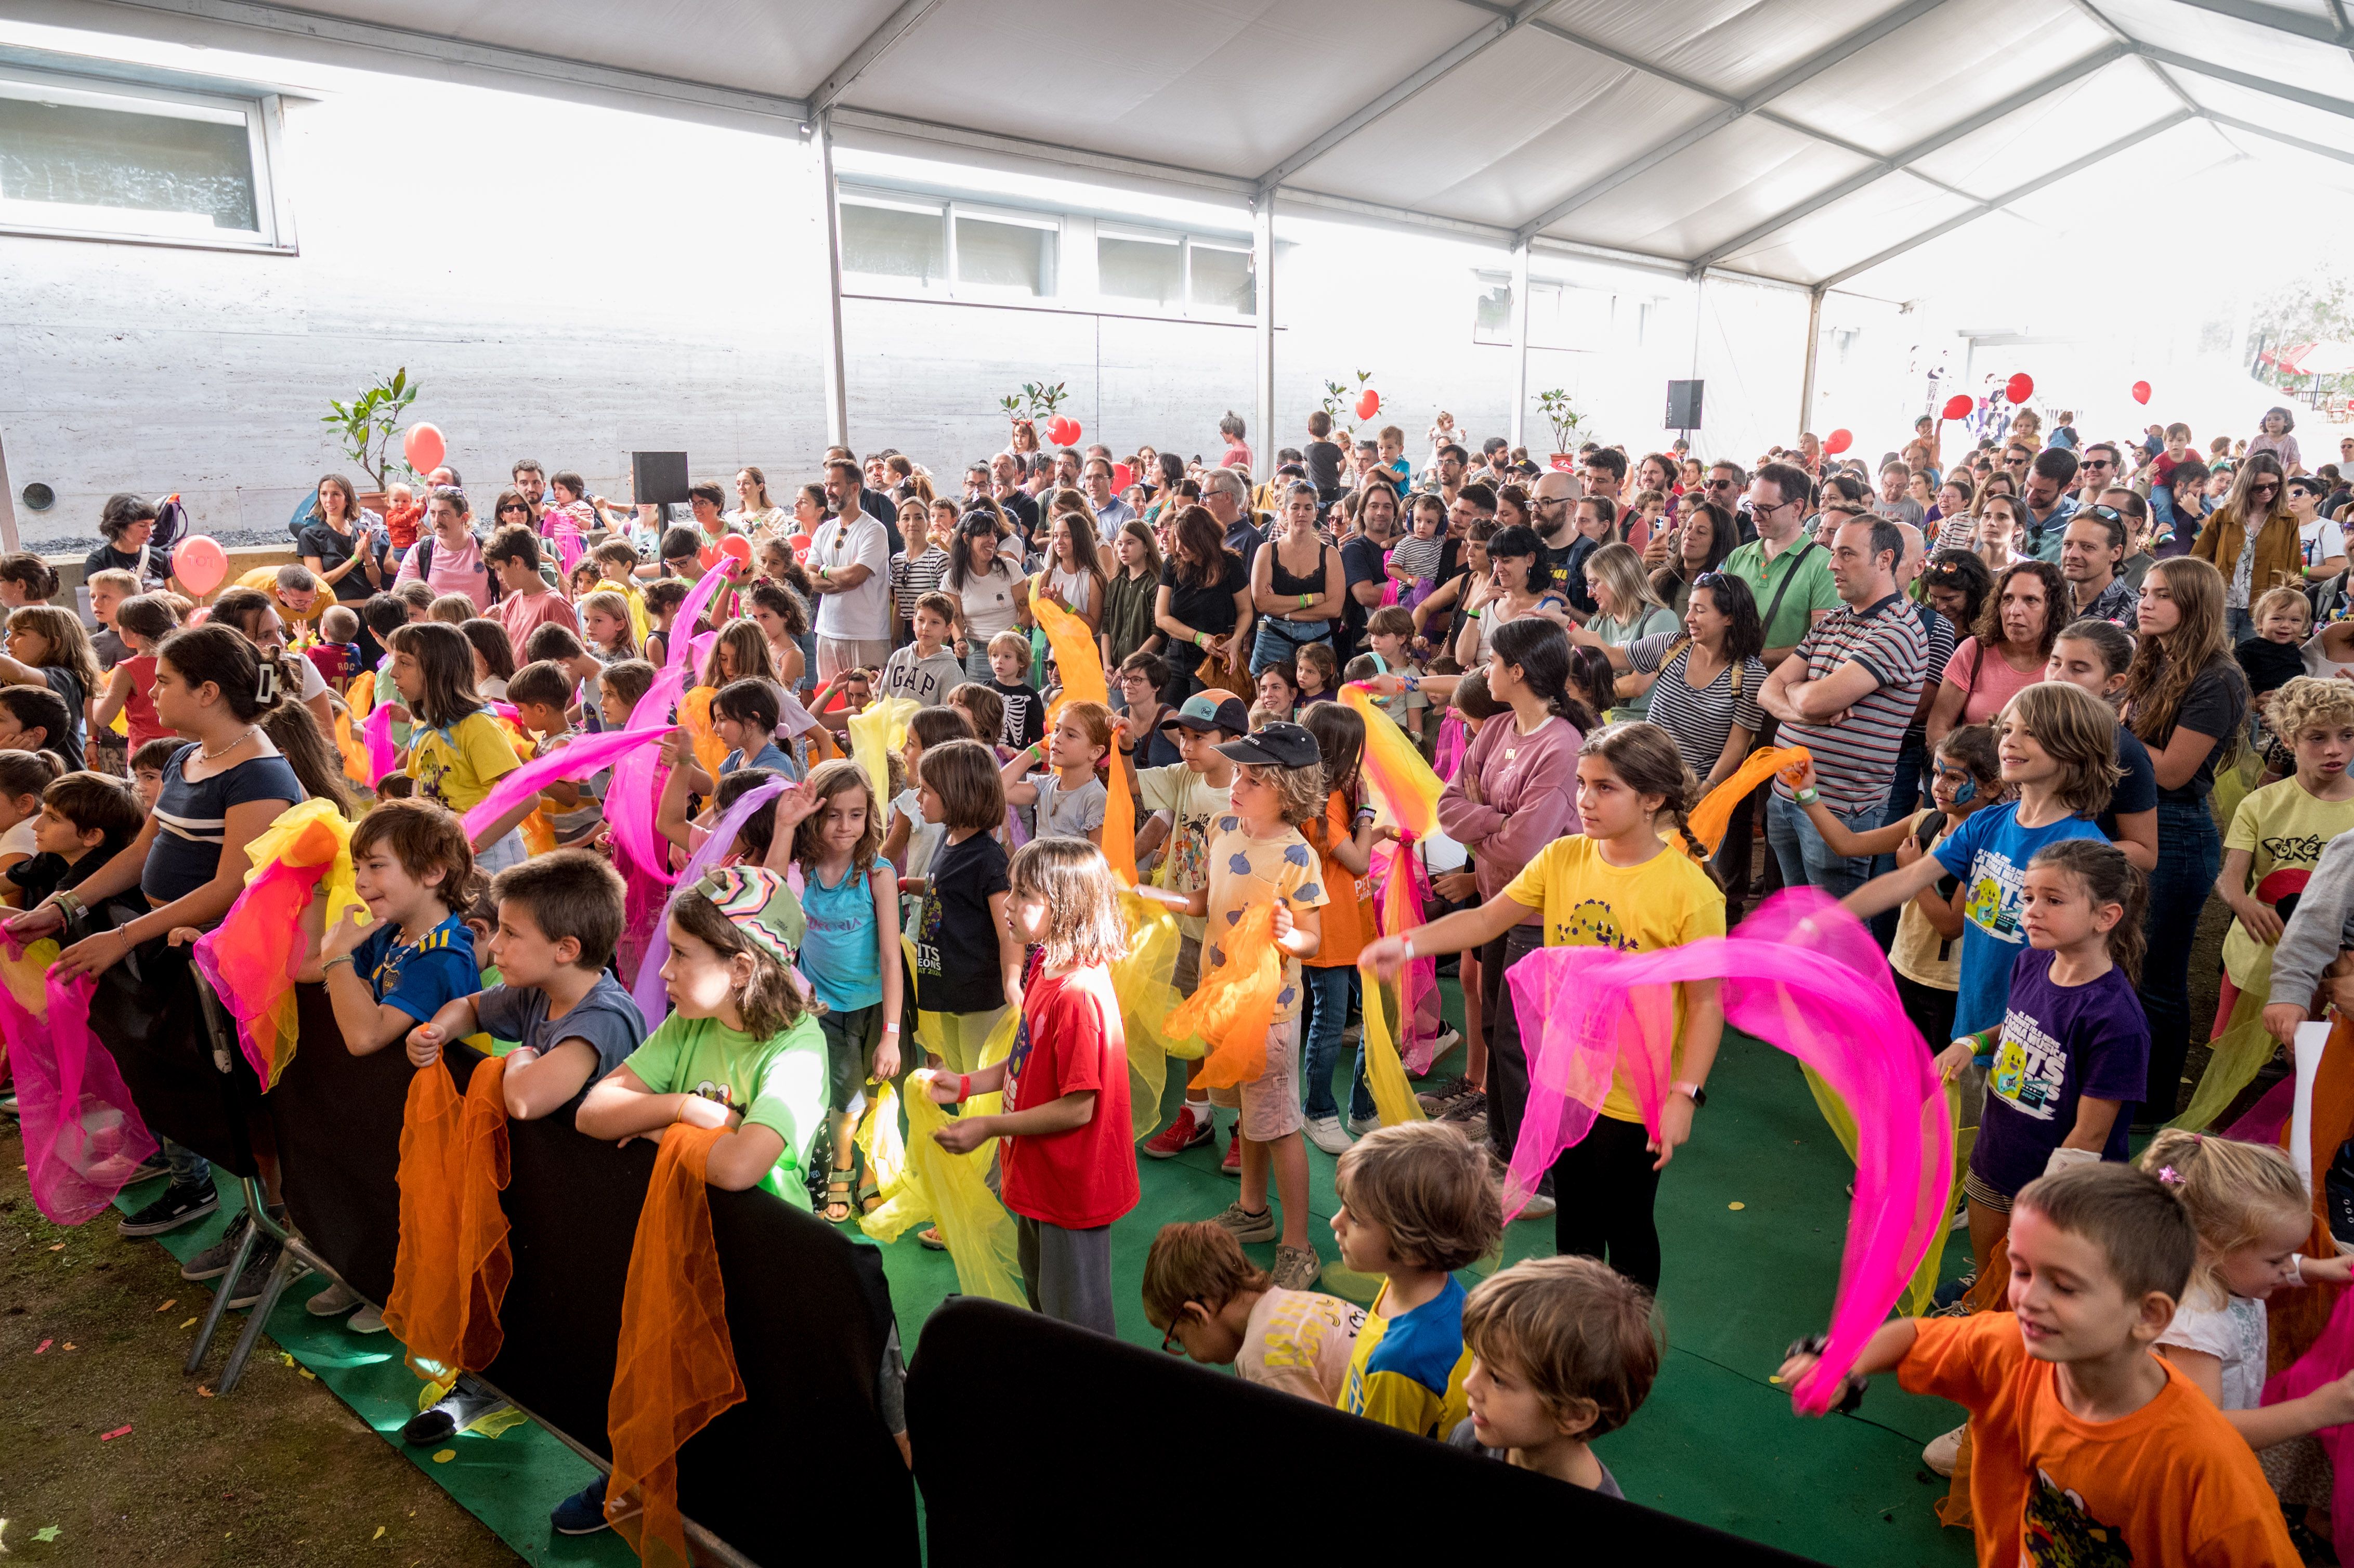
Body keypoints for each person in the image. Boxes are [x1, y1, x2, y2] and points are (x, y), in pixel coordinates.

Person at [1778, 1162, 2297, 1566]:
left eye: (2065, 1285)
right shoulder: (2012, 1348)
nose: (2027, 1298)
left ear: (2149, 1314)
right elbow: (1916, 1335)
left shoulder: (2206, 1469)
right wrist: (1843, 1362)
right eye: (2021, 1270)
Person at [1366, 722, 1722, 1289]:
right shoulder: (1562, 858)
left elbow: (1705, 1005)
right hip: (1569, 1073)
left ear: (1652, 798)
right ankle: (1570, 1330)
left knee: (1626, 1223)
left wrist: (1685, 1095)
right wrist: (1407, 943)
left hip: (1636, 1094)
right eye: (1581, 784)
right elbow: (1485, 919)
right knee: (1576, 1221)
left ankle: (1623, 1348)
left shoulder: (1690, 892)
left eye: (1605, 788)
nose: (1584, 800)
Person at [1132, 721, 1329, 1291]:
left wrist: (1290, 933)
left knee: (1279, 1124)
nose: (1236, 784)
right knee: (1248, 1113)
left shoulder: (1297, 854)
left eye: (1251, 778)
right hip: (1221, 998)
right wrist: (1148, 893)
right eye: (1238, 773)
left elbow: (1311, 942)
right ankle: (1252, 1211)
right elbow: (1202, 900)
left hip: (1268, 1011)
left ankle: (1297, 1241)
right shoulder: (1223, 827)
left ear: (1287, 791)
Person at [929, 838, 1135, 1331]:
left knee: (1078, 1321)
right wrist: (964, 1086)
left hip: (1071, 1188)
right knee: (1045, 1300)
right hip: (1039, 1175)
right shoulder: (1045, 966)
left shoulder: (1079, 996)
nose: (1009, 904)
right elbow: (1024, 1059)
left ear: (1064, 909)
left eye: (1025, 895)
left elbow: (1078, 1108)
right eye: (1012, 890)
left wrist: (989, 1126)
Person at [2140, 1129, 2354, 1458]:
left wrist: (2313, 1269)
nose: (2286, 1267)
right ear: (2207, 1250)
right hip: (2191, 1466)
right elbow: (2205, 1429)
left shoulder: (2221, 1273)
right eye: (2276, 1259)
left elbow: (2250, 1271)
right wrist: (2319, 1409)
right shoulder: (2196, 1325)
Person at [2124, 557, 2248, 1121]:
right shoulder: (2153, 660)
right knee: (2124, 967)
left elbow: (2173, 772)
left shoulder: (2217, 677)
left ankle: (2151, 1109)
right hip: (2130, 818)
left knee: (2157, 979)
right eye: (2144, 592)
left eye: (2161, 595)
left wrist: (2098, 729)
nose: (2144, 603)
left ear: (2195, 606)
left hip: (2174, 830)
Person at [1757, 517, 1930, 897]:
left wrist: (1802, 695)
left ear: (1885, 560)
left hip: (1840, 808)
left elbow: (1814, 698)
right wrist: (1799, 710)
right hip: (1788, 793)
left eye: (1847, 554)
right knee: (1801, 917)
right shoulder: (1835, 619)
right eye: (1834, 553)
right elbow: (1767, 688)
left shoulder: (1898, 629)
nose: (1832, 564)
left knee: (1838, 928)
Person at [783, 759, 903, 1226]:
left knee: (873, 1094)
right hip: (825, 1008)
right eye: (834, 814)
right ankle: (843, 1166)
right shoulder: (802, 868)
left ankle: (866, 1166)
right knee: (846, 1102)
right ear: (815, 815)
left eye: (856, 815)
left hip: (876, 1006)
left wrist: (892, 1034)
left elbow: (892, 959)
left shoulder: (878, 874)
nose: (845, 826)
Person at [1332, 1122, 1505, 1438]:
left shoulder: (1399, 1364)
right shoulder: (1425, 1289)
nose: (1336, 1221)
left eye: (1354, 1217)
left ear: (1411, 1249)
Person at [2213, 677, 2354, 1044]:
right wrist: (2241, 902)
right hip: (2257, 948)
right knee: (2228, 1049)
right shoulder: (2260, 803)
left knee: (2306, 1059)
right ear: (2289, 740)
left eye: (2348, 735)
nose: (2334, 750)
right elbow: (2231, 877)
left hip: (2329, 962)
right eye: (2317, 737)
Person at [1452, 1255, 1659, 1494]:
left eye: (1497, 1379)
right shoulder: (1469, 1439)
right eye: (1476, 1356)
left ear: (1576, 1414)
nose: (1469, 1384)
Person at [1144, 1219, 1364, 1400]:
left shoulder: (1261, 1357)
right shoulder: (1293, 1301)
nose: (1188, 1353)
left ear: (1198, 1313)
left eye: (1179, 1339)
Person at [909, 739, 1025, 1080]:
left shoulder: (987, 858)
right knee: (960, 1070)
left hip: (981, 996)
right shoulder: (949, 838)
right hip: (950, 988)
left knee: (980, 1077)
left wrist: (1011, 981)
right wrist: (902, 885)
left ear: (958, 794)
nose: (918, 798)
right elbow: (943, 891)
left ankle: (985, 1134)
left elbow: (1009, 931)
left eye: (926, 790)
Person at [384, 622, 528, 872]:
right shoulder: (424, 723)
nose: (393, 673)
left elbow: (525, 797)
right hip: (445, 850)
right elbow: (420, 785)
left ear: (438, 670)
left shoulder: (477, 726)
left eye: (405, 663)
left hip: (489, 856)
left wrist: (472, 845)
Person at [1926, 559, 2062, 752]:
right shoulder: (1974, 650)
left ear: (2054, 608)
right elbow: (1937, 727)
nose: (2015, 611)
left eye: (2031, 600)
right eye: (2007, 599)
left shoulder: (2063, 664)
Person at [1727, 461, 1838, 669]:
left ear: (1797, 507)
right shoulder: (1738, 556)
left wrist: (1748, 659)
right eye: (1752, 506)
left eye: (1766, 509)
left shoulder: (1824, 566)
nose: (1755, 517)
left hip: (1779, 690)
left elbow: (1821, 645)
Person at [2, 769, 140, 918]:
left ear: (92, 835)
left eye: (53, 819)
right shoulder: (57, 855)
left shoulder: (94, 868)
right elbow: (7, 882)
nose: (35, 825)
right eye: (42, 813)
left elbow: (35, 922)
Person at [1152, 505, 1252, 705]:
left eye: (1186, 542)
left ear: (1204, 538)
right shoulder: (1172, 563)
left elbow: (1246, 611)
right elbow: (1162, 618)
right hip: (1177, 654)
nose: (1179, 548)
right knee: (1168, 719)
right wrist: (1198, 638)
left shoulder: (1230, 563)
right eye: (1177, 540)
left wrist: (1236, 640)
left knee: (1203, 722)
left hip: (1213, 658)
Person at [2191, 454, 2295, 644]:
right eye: (2259, 487)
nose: (2267, 491)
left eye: (2274, 485)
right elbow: (2198, 559)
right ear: (2246, 485)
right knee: (2213, 660)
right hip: (2222, 604)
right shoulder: (2224, 515)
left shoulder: (2288, 520)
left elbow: (2293, 570)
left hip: (2264, 608)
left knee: (2251, 666)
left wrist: (2290, 611)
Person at [1248, 481, 1344, 676]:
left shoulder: (1330, 554)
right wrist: (1309, 600)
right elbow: (1262, 603)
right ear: (1284, 512)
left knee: (1318, 705)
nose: (1302, 513)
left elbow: (1334, 609)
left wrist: (1285, 612)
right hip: (1273, 638)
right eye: (1295, 508)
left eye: (1308, 508)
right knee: (1269, 703)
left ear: (1316, 513)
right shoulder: (1267, 551)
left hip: (1317, 640)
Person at [809, 458, 893, 679]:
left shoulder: (874, 530)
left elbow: (855, 576)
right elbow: (808, 577)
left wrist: (825, 570)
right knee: (830, 704)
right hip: (827, 632)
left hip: (867, 635)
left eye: (835, 485)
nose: (828, 491)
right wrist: (842, 579)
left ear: (855, 488)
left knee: (868, 707)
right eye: (826, 485)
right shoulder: (823, 530)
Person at [1574, 542, 1678, 721]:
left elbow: (1638, 685)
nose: (1590, 594)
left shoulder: (1661, 619)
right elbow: (1572, 677)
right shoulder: (1596, 623)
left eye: (1595, 583)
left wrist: (1586, 693)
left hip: (1646, 726)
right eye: (1588, 586)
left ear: (1618, 578)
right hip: (1601, 723)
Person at [0, 604, 101, 770]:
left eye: (20, 634)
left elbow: (19, 672)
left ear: (54, 643)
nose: (7, 641)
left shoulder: (63, 678)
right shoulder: (7, 679)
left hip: (63, 780)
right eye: (8, 633)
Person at [1000, 700, 1111, 846]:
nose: (1057, 739)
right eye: (1056, 730)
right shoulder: (1046, 785)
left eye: (1071, 735)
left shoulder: (1095, 798)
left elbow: (1097, 859)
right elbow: (999, 790)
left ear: (1096, 752)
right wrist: (1032, 753)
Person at [943, 513, 1029, 684]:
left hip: (1014, 652)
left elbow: (1026, 611)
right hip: (978, 655)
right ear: (967, 539)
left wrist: (1012, 636)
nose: (992, 541)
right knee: (978, 708)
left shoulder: (1010, 568)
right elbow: (956, 618)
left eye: (994, 534)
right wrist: (960, 641)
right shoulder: (953, 577)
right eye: (985, 534)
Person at [394, 487, 492, 613]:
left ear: (463, 518)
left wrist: (500, 608)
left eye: (445, 514)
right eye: (433, 513)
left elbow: (511, 592)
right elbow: (398, 597)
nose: (437, 520)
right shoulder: (420, 551)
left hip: (478, 628)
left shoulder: (485, 548)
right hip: (437, 630)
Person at [485, 526, 577, 650]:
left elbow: (575, 659)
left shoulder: (554, 604)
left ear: (516, 562)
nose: (499, 578)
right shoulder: (511, 605)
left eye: (500, 569)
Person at [1100, 520, 1163, 680]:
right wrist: (1107, 665)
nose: (1123, 549)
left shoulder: (1156, 583)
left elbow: (1158, 634)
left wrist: (1130, 665)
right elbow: (1106, 628)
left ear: (1147, 546)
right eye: (1120, 544)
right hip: (1116, 670)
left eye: (1130, 543)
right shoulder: (1114, 584)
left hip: (1145, 670)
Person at [877, 592, 961, 709]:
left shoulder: (951, 670)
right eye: (921, 620)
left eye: (935, 622)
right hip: (891, 727)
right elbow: (882, 703)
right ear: (913, 623)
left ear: (948, 629)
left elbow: (949, 716)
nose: (925, 628)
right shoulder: (898, 657)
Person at [85, 492, 177, 590]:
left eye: (152, 525)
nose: (150, 532)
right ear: (120, 526)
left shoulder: (159, 556)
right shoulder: (99, 561)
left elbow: (170, 599)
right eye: (142, 525)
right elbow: (100, 602)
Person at [2017, 447, 2080, 563]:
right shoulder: (2011, 511)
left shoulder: (2079, 518)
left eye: (2042, 492)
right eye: (2029, 485)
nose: (2031, 496)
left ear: (2066, 488)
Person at [2251, 404, 2303, 473]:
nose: (2272, 422)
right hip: (2259, 476)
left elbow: (2294, 462)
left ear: (2286, 422)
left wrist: (2286, 476)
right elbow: (2249, 459)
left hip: (2280, 476)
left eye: (2277, 419)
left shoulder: (2291, 442)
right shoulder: (2258, 440)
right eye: (2269, 420)